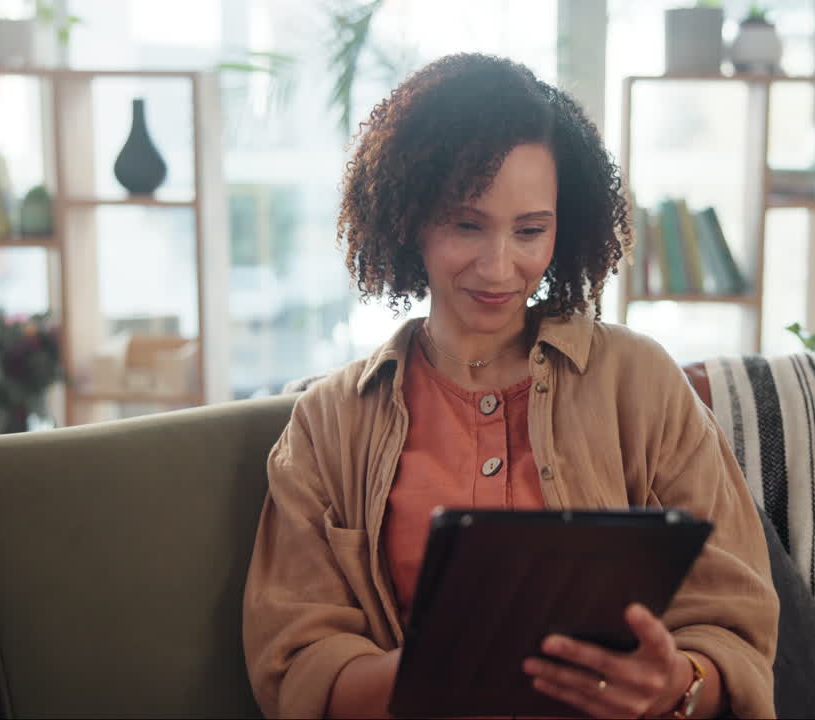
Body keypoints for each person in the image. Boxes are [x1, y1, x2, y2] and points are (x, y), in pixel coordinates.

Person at [242, 53, 778, 719]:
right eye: (467, 225)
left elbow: (735, 625)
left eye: (530, 231)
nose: (500, 268)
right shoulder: (328, 424)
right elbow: (293, 667)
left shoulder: (641, 384)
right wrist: (448, 668)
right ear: (409, 217)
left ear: (565, 221)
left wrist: (676, 684)